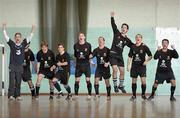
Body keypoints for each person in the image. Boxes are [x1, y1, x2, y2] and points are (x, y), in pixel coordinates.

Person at [2, 23, 35, 100]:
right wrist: (4, 29)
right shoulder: (12, 44)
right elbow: (6, 37)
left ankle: (17, 96)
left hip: (20, 66)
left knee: (18, 82)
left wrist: (32, 29)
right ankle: (11, 95)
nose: (17, 38)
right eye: (16, 37)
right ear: (15, 38)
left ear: (20, 38)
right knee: (12, 81)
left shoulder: (23, 44)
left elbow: (30, 37)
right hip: (12, 65)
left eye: (19, 37)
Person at [110, 11, 134, 93]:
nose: (123, 28)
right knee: (115, 69)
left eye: (125, 28)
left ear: (127, 30)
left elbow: (133, 46)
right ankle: (115, 86)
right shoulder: (116, 33)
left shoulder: (127, 40)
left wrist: (140, 44)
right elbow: (113, 25)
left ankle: (121, 86)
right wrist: (112, 17)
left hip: (120, 56)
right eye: (122, 27)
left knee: (122, 72)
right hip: (113, 54)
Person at [127, 34, 152, 101]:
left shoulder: (144, 46)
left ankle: (143, 95)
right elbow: (130, 57)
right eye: (136, 37)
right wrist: (128, 65)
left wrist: (146, 61)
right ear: (135, 39)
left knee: (143, 81)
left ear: (141, 39)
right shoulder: (132, 47)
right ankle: (134, 96)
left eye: (139, 37)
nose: (138, 38)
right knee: (134, 81)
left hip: (142, 67)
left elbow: (150, 56)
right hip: (134, 67)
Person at [73, 32, 92, 100]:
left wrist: (91, 61)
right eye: (79, 36)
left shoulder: (88, 45)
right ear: (78, 38)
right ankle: (76, 95)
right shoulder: (75, 45)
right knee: (77, 80)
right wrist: (75, 64)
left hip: (86, 65)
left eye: (82, 36)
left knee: (88, 80)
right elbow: (75, 56)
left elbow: (90, 55)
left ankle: (89, 95)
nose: (81, 37)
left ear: (84, 37)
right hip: (78, 65)